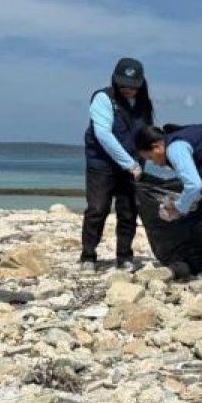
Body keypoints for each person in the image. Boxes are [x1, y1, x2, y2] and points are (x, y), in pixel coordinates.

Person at [81, 58, 154, 271]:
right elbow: (103, 135)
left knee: (129, 210)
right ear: (114, 80)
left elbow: (146, 133)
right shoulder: (103, 98)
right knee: (97, 208)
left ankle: (124, 256)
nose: (128, 89)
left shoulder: (143, 103)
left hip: (132, 164)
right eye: (123, 84)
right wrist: (129, 164)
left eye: (132, 85)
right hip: (102, 163)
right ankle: (88, 256)